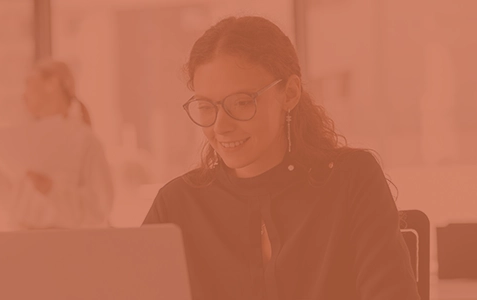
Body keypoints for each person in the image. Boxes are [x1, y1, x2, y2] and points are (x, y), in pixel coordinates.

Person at [143, 16, 419, 300]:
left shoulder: (351, 180)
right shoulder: (175, 205)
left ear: (290, 93)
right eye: (206, 106)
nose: (220, 126)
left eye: (241, 102)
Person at [0, 60, 114, 230]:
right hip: (26, 246)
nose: (23, 95)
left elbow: (99, 209)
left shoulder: (85, 141)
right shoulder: (26, 143)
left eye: (28, 83)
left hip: (68, 249)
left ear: (52, 83)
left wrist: (51, 190)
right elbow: (17, 207)